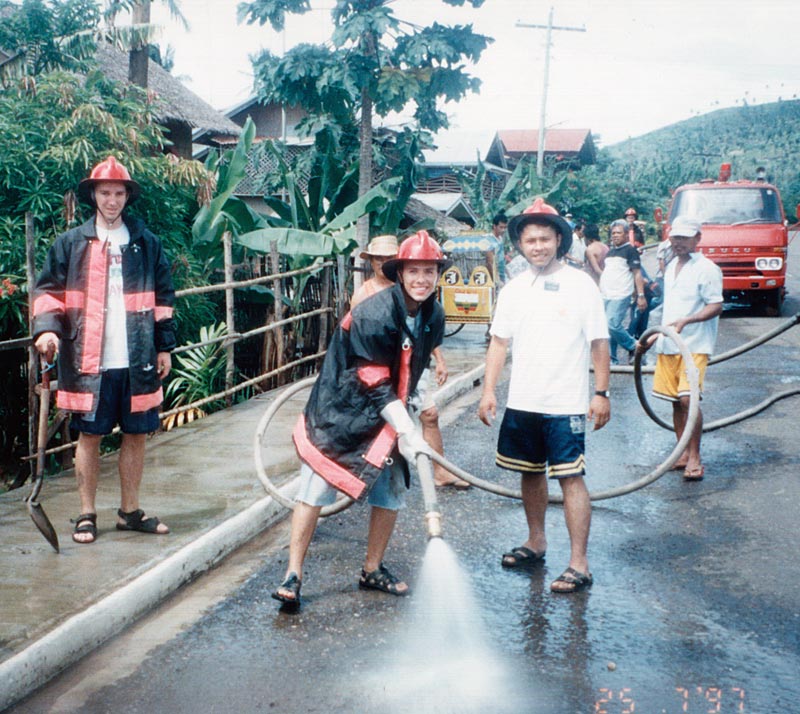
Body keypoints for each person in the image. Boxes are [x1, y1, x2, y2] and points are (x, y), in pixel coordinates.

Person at [272, 231, 446, 608]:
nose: (421, 279)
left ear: (437, 275)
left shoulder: (433, 314)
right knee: (315, 489)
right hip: (343, 410)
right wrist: (405, 427)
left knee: (391, 490)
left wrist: (413, 413)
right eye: (413, 271)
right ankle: (293, 574)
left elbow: (417, 365)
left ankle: (372, 568)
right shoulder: (374, 312)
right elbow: (371, 378)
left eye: (429, 271)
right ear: (399, 273)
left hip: (389, 413)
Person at [32, 156, 175, 544]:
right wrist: (47, 331)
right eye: (105, 193)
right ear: (93, 195)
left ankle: (130, 512)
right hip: (87, 359)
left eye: (118, 193)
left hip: (138, 357)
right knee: (90, 436)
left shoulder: (146, 243)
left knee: (136, 434)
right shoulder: (70, 244)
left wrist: (165, 347)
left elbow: (163, 298)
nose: (112, 200)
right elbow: (47, 293)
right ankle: (86, 514)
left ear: (127, 197)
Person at [478, 198, 611, 594]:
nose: (537, 246)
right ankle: (536, 541)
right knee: (529, 471)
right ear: (520, 244)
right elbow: (499, 343)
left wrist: (601, 392)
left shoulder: (580, 284)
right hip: (523, 400)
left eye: (544, 239)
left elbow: (599, 341)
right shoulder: (514, 289)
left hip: (565, 402)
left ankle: (579, 562)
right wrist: (488, 390)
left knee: (571, 477)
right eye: (530, 240)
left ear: (559, 240)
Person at [351, 235, 469, 490]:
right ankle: (361, 476)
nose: (382, 263)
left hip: (411, 370)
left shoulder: (418, 294)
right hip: (379, 374)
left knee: (430, 414)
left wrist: (439, 359)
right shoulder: (366, 296)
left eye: (387, 258)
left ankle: (440, 471)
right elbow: (358, 344)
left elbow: (425, 332)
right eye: (378, 259)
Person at [636, 216, 723, 481]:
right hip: (668, 343)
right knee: (675, 401)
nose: (679, 242)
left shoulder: (707, 269)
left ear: (697, 238)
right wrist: (654, 336)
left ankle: (695, 457)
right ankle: (682, 452)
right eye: (675, 237)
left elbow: (716, 305)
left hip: (694, 345)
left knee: (688, 399)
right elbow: (670, 310)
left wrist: (689, 320)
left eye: (685, 238)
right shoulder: (671, 265)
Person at [600, 219, 647, 365]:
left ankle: (634, 346)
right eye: (613, 233)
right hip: (606, 294)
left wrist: (640, 295)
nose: (615, 235)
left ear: (627, 234)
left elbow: (637, 274)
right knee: (607, 328)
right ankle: (612, 359)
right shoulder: (610, 252)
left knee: (612, 324)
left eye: (618, 233)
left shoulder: (630, 251)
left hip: (620, 294)